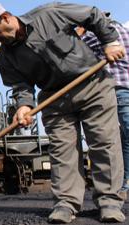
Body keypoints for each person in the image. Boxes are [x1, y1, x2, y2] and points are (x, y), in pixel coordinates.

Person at [0, 2, 125, 223]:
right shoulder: (6, 57)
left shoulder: (50, 14)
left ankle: (109, 202)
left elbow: (93, 15)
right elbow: (20, 86)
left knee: (104, 143)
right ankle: (66, 204)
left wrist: (109, 42)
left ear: (5, 18)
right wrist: (24, 106)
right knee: (62, 152)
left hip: (92, 86)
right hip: (55, 99)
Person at [76, 14, 129, 200]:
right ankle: (123, 184)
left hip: (114, 88)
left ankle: (121, 184)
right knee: (124, 138)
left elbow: (78, 60)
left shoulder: (91, 36)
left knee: (109, 139)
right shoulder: (123, 30)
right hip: (123, 87)